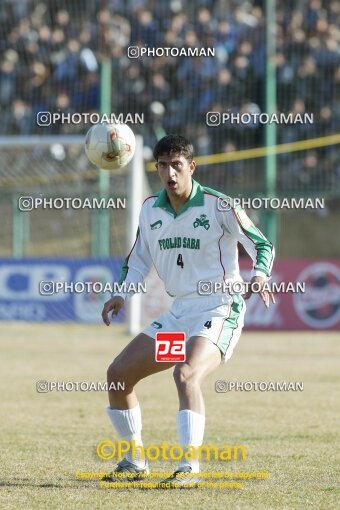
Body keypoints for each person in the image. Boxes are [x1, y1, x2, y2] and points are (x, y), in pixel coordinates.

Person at [101, 134, 275, 488]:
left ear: (191, 167)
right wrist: (120, 293)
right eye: (162, 165)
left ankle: (188, 467)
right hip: (179, 315)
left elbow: (260, 242)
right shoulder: (151, 209)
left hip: (220, 308)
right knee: (118, 375)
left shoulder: (218, 205)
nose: (170, 173)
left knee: (186, 373)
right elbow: (138, 261)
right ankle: (134, 461)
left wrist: (259, 275)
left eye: (176, 165)